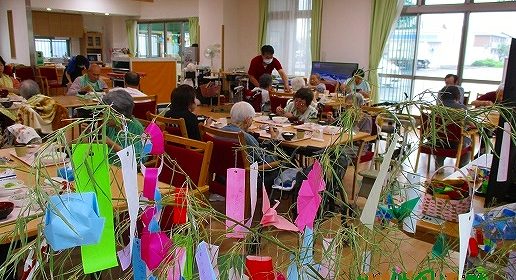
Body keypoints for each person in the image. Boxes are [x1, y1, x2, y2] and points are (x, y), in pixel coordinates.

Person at [102, 89, 144, 164]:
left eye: (108, 113)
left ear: (121, 115)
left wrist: (111, 144)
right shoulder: (110, 125)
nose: (104, 116)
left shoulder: (136, 128)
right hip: (108, 165)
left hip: (124, 170)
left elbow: (138, 158)